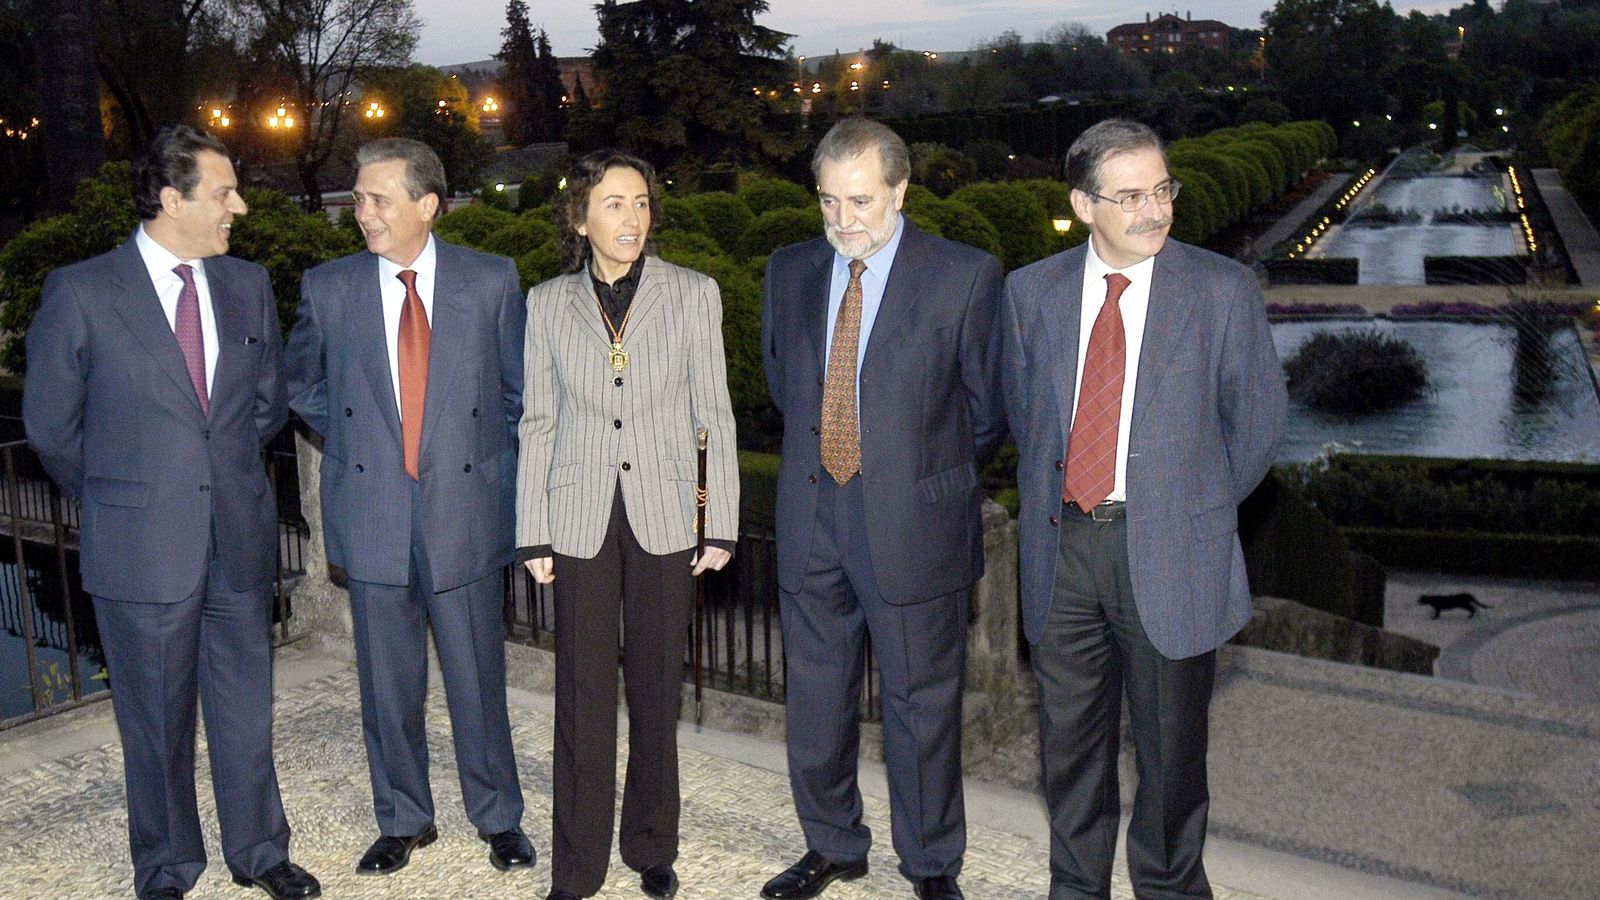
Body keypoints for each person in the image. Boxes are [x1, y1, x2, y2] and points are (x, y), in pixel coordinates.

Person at [22, 125, 319, 900]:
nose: (241, 208)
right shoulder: (82, 291)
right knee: (155, 726)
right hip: (141, 548)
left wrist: (215, 477)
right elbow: (54, 428)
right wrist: (126, 497)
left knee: (245, 712)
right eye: (223, 193)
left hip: (239, 538)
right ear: (169, 199)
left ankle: (260, 852)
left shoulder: (246, 284)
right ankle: (165, 868)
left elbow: (264, 407)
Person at [1000, 118, 1288, 899]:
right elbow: (1025, 423)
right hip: (1063, 557)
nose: (1155, 209)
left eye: (1163, 189)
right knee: (1070, 754)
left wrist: (1184, 507)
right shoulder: (1029, 294)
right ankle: (1077, 888)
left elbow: (1258, 426)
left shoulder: (1221, 291)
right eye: (1131, 195)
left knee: (1170, 763)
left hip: (1171, 554)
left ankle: (1168, 889)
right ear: (1083, 204)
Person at [758, 117, 1004, 900]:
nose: (842, 221)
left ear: (901, 190)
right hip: (810, 515)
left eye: (860, 201)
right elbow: (780, 385)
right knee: (817, 701)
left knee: (921, 709)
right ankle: (833, 845)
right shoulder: (789, 270)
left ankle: (931, 865)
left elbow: (988, 412)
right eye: (827, 202)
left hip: (914, 525)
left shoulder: (965, 275)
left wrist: (914, 472)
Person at [284, 138, 533, 877]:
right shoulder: (328, 288)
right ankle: (403, 819)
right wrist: (365, 445)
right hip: (373, 516)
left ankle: (499, 819)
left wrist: (493, 478)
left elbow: (519, 397)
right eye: (358, 198)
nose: (361, 213)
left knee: (477, 680)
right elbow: (304, 385)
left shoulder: (491, 282)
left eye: (377, 199)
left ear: (427, 205)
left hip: (466, 512)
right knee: (386, 685)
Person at [515, 148, 739, 900]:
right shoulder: (546, 303)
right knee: (581, 697)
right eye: (614, 203)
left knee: (655, 689)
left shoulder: (694, 294)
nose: (632, 218)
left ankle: (651, 844)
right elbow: (537, 422)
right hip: (578, 517)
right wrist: (533, 530)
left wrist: (723, 521)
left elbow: (716, 414)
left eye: (641, 202)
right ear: (580, 217)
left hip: (668, 513)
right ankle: (576, 870)